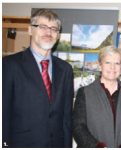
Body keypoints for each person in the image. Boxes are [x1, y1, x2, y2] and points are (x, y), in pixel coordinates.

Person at [3, 9, 74, 148]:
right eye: (42, 27)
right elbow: (3, 113)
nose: (49, 32)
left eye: (54, 29)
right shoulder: (9, 65)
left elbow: (66, 118)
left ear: (58, 35)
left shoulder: (66, 69)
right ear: (30, 30)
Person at [73, 45, 121, 148]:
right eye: (108, 62)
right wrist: (97, 147)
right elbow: (78, 126)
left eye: (117, 63)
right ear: (100, 65)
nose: (112, 67)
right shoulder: (84, 93)